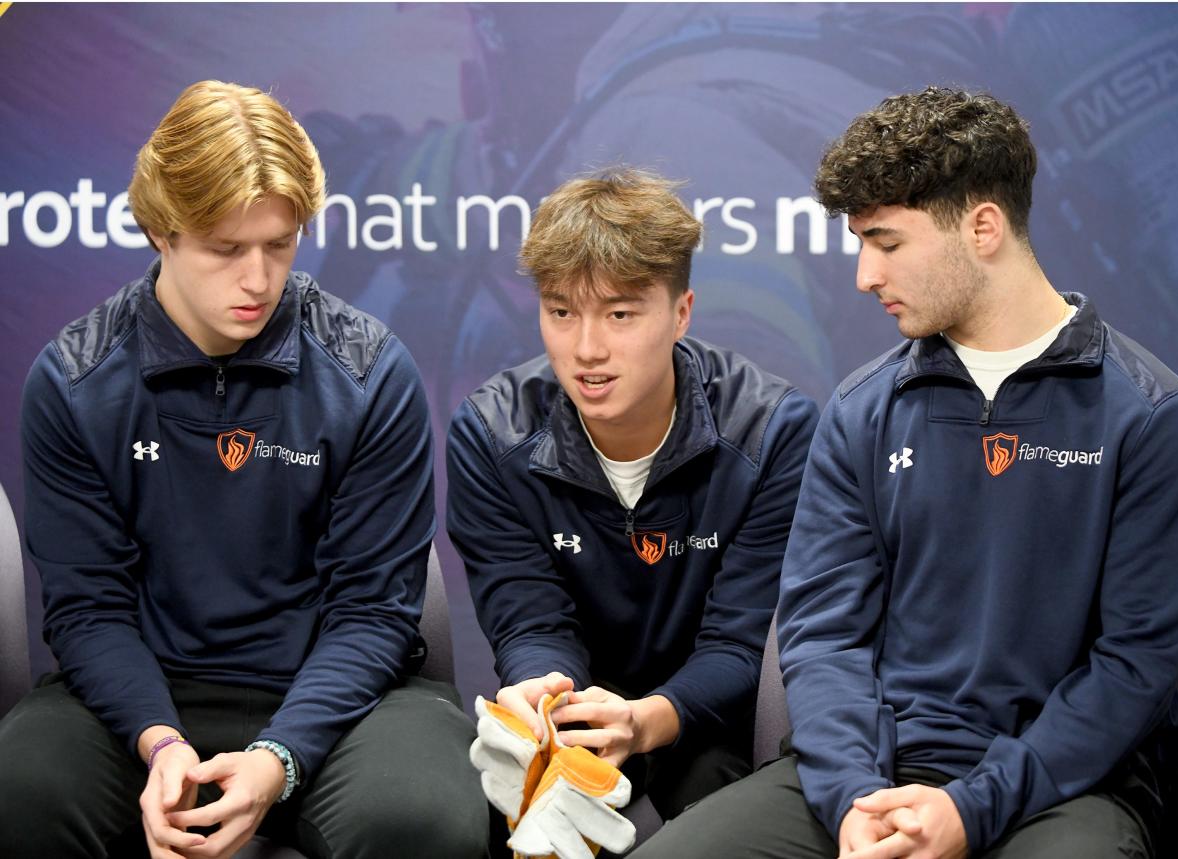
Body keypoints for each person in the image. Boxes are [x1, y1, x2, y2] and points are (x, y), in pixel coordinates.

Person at [630, 86, 1178, 858]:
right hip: (867, 778)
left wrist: (969, 808)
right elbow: (821, 633)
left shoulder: (1148, 413)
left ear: (981, 227)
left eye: (886, 241)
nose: (864, 273)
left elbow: (1132, 668)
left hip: (1062, 791)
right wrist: (853, 799)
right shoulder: (861, 409)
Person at [0, 80, 488, 859]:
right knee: (14, 797)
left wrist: (278, 756)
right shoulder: (74, 380)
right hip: (143, 698)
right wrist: (159, 746)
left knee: (425, 820)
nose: (258, 280)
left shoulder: (370, 371)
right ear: (162, 230)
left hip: (345, 700)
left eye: (280, 244)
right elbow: (88, 608)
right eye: (226, 249)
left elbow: (374, 610)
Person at [446, 169, 819, 830]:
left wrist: (644, 719)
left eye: (619, 313)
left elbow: (740, 644)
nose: (587, 349)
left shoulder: (771, 431)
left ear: (680, 313)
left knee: (718, 804)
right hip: (571, 716)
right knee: (480, 822)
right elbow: (530, 620)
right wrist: (548, 694)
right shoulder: (489, 433)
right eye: (560, 311)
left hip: (708, 723)